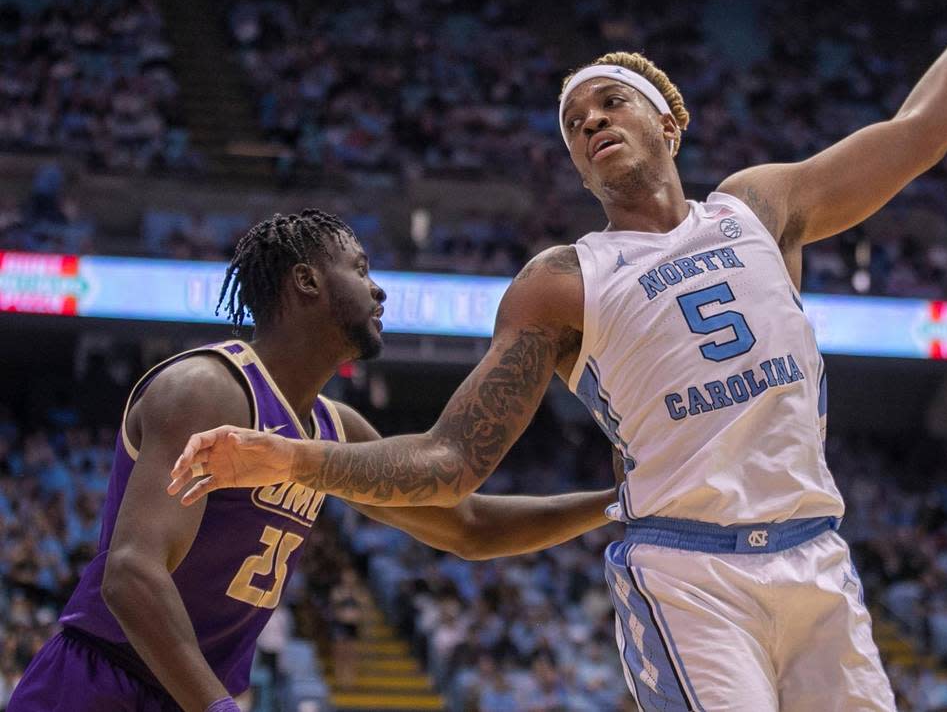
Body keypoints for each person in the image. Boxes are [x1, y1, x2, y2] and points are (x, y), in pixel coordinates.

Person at [170, 0, 947, 710]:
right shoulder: (562, 280)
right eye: (577, 126)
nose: (591, 123)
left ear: (669, 121)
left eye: (610, 103)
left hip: (817, 553)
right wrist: (290, 456)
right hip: (691, 572)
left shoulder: (758, 206)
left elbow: (916, 133)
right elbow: (450, 460)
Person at [9, 210, 615, 712]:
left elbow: (468, 525)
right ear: (306, 282)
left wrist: (617, 506)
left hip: (191, 695)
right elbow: (132, 574)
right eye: (360, 269)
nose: (378, 289)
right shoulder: (210, 389)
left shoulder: (334, 428)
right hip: (103, 682)